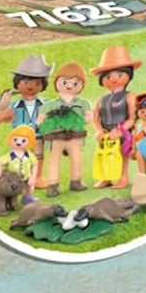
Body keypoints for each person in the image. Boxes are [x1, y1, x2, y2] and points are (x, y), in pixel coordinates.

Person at [90, 45, 141, 189]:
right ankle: (105, 177)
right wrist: (98, 129)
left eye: (119, 75)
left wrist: (120, 130)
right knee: (104, 154)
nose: (113, 79)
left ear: (128, 75)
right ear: (102, 79)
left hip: (122, 132)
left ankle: (122, 177)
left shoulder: (130, 96)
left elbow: (133, 118)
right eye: (108, 77)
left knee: (122, 154)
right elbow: (95, 117)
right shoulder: (101, 99)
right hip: (106, 133)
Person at [39, 62, 90, 196]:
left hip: (74, 136)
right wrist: (53, 119)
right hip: (56, 137)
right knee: (54, 160)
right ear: (56, 82)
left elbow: (89, 118)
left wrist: (76, 118)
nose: (69, 86)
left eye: (75, 83)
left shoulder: (82, 104)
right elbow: (40, 121)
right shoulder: (50, 105)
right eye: (65, 82)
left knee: (76, 159)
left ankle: (76, 181)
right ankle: (52, 184)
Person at [0, 124, 41, 203]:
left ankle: (28, 197)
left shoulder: (29, 155)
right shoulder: (9, 156)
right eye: (15, 140)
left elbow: (35, 164)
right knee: (12, 190)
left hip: (26, 178)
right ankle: (9, 200)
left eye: (23, 141)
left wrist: (33, 176)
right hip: (13, 179)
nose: (19, 142)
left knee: (30, 186)